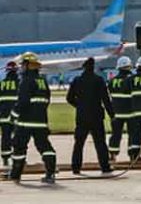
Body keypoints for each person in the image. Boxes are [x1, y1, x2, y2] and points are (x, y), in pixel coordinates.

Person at [7, 52, 57, 184]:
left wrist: (13, 116)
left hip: (25, 122)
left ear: (28, 65)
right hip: (41, 121)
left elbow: (22, 102)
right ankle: (51, 173)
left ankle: (15, 174)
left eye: (23, 64)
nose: (21, 67)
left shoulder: (26, 81)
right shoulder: (43, 81)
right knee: (44, 146)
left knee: (19, 147)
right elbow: (47, 100)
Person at [67, 57, 115, 174]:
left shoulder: (77, 80)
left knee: (79, 143)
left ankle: (76, 167)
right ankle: (105, 166)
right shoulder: (99, 80)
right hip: (96, 116)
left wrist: (79, 105)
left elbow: (69, 98)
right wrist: (112, 114)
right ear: (93, 67)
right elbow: (106, 99)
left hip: (82, 116)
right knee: (100, 143)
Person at [108, 56, 134, 162]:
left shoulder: (112, 81)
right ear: (129, 66)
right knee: (132, 134)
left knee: (116, 135)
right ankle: (133, 155)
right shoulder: (132, 79)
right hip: (130, 112)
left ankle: (113, 155)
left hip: (116, 112)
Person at [0, 61, 20, 167]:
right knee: (18, 137)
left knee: (5, 137)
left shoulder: (2, 83)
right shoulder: (20, 82)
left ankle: (5, 158)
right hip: (16, 115)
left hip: (3, 115)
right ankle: (18, 158)